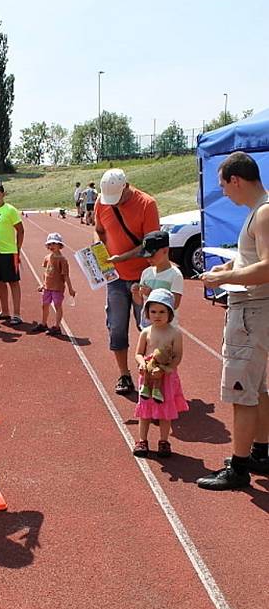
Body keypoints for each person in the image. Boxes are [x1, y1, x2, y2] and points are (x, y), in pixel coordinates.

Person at [199, 151, 269, 490]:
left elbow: (268, 267)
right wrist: (228, 269)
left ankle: (239, 468)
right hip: (259, 312)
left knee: (242, 392)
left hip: (252, 313)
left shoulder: (264, 213)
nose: (224, 192)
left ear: (236, 180)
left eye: (224, 185)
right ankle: (261, 452)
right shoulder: (260, 212)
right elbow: (255, 256)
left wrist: (223, 280)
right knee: (262, 388)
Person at [95, 168, 160, 395]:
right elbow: (99, 232)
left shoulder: (147, 204)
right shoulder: (102, 203)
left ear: (126, 187)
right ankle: (124, 374)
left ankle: (153, 377)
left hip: (143, 277)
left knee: (150, 329)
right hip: (115, 278)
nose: (114, 203)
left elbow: (150, 244)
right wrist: (98, 255)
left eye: (118, 198)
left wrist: (122, 257)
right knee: (116, 328)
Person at [133, 289, 188, 458]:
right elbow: (138, 353)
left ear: (170, 313)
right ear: (147, 313)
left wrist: (168, 368)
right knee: (145, 410)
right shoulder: (146, 332)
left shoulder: (175, 333)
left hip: (166, 377)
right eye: (153, 311)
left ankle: (164, 441)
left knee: (165, 410)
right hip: (148, 375)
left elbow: (178, 355)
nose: (157, 315)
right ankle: (142, 440)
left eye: (162, 311)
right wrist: (142, 364)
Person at [0, 183, 24, 325]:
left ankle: (17, 313)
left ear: (3, 194)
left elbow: (20, 230)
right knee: (0, 282)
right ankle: (5, 311)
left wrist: (18, 248)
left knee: (13, 282)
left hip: (9, 252)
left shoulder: (10, 210)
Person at [131, 230, 183, 326]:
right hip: (147, 326)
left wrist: (151, 293)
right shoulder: (146, 273)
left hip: (167, 329)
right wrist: (135, 293)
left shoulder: (175, 275)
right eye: (146, 256)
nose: (148, 259)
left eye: (152, 255)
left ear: (165, 250)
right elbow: (140, 301)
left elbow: (174, 304)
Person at [31, 232, 75, 335]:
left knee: (57, 305)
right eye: (49, 244)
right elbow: (46, 272)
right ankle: (43, 323)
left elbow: (66, 275)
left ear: (60, 245)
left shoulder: (62, 260)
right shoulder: (47, 258)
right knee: (44, 305)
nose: (51, 246)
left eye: (54, 244)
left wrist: (70, 288)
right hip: (47, 287)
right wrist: (43, 284)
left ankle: (57, 326)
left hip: (57, 288)